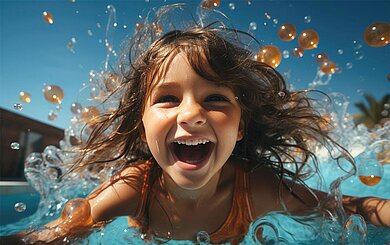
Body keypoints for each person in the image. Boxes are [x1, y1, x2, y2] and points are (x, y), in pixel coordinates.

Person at [1, 6, 389, 245]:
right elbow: (50, 234)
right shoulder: (134, 187)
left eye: (215, 99)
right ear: (141, 127)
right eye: (168, 98)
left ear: (240, 127)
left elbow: (348, 207)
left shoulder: (258, 189)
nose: (191, 114)